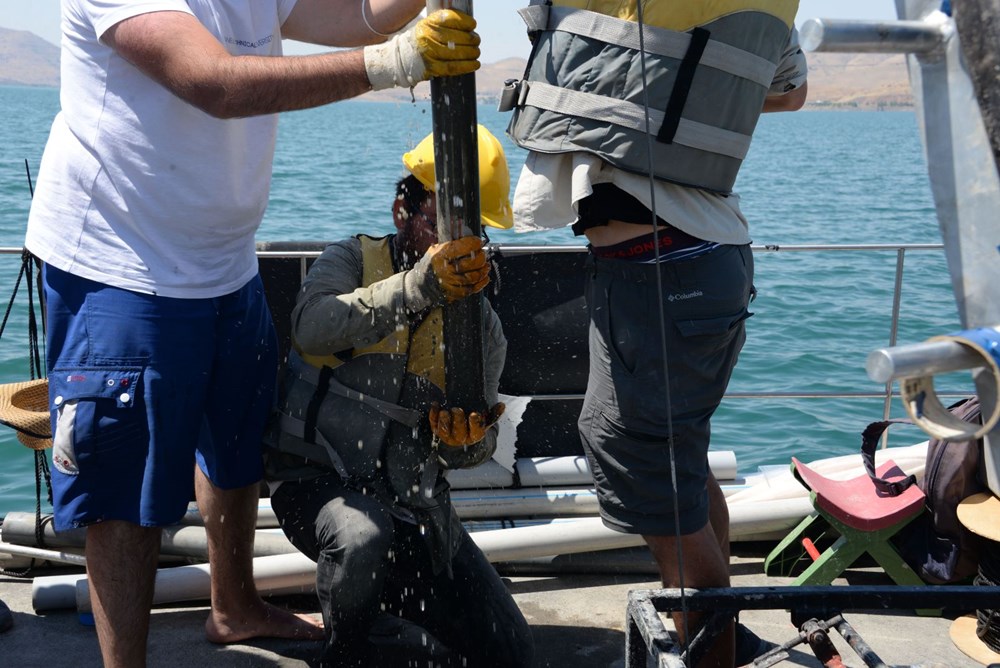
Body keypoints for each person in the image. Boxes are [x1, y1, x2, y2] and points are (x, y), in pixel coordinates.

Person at [25, 2, 480, 666]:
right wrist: (395, 65)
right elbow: (214, 81)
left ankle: (233, 605)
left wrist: (400, 22)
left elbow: (359, 13)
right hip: (122, 264)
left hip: (226, 265)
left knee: (235, 445)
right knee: (124, 495)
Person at [503, 2, 808, 666]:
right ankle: (716, 628)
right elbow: (790, 91)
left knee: (637, 455)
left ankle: (710, 649)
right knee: (681, 457)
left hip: (659, 270)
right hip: (708, 253)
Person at [263, 125, 534, 667]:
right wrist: (417, 289)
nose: (453, 245)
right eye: (438, 224)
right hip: (315, 488)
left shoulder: (479, 327)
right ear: (400, 213)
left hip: (417, 513)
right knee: (363, 535)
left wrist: (466, 443)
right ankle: (347, 654)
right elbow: (311, 329)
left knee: (513, 654)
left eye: (471, 230)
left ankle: (388, 620)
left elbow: (475, 452)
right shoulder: (351, 261)